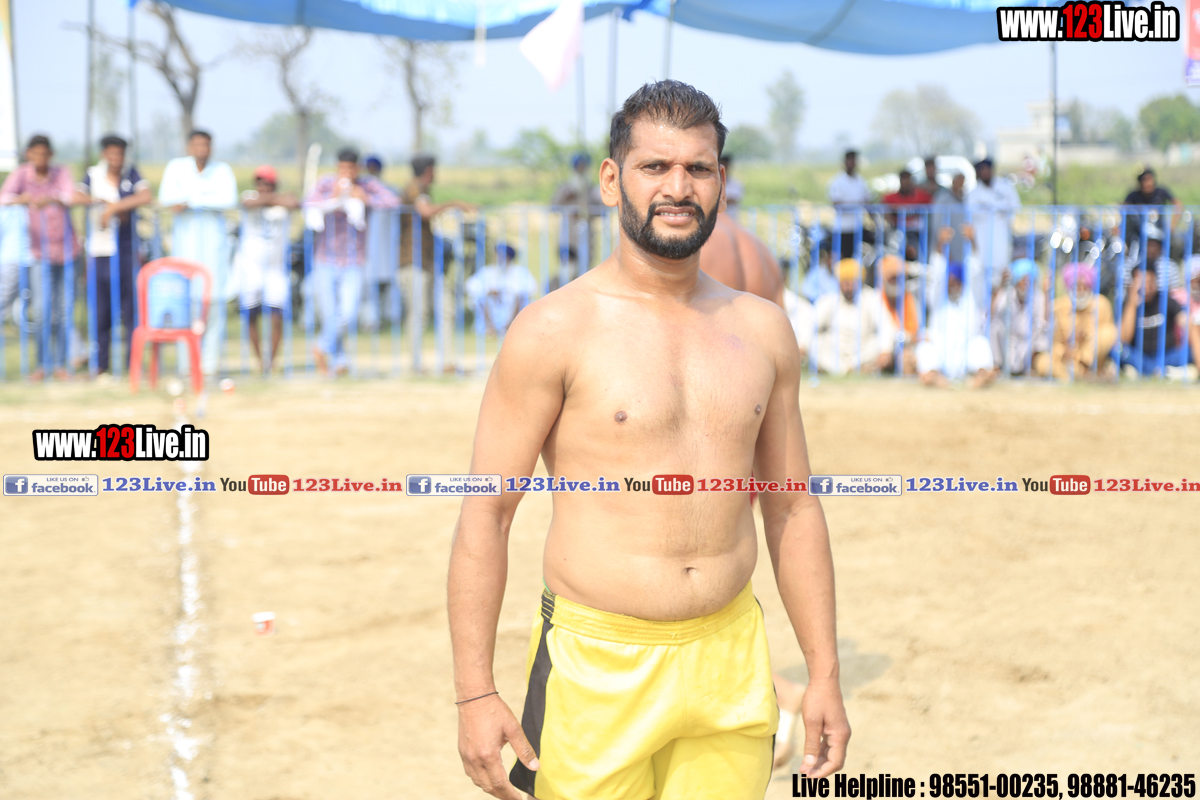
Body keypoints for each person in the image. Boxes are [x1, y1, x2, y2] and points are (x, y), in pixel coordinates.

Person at [448, 80, 849, 800]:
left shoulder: (763, 330)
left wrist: (824, 673)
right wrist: (475, 692)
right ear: (612, 180)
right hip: (596, 669)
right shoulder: (552, 330)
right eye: (655, 167)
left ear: (721, 183)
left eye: (698, 168)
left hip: (731, 659)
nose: (678, 187)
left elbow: (792, 507)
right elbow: (487, 512)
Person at [304, 148, 399, 375]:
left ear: (357, 168)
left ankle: (321, 346)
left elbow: (394, 201)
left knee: (348, 312)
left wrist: (365, 198)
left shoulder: (367, 185)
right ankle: (340, 361)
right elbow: (307, 203)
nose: (346, 172)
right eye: (342, 168)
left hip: (354, 259)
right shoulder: (326, 183)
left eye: (350, 168)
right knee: (330, 314)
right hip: (325, 258)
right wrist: (333, 197)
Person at [0, 134, 81, 380]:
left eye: (44, 154)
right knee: (42, 311)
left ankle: (61, 364)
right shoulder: (22, 174)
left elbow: (72, 196)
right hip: (38, 253)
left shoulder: (61, 173)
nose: (40, 158)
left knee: (64, 310)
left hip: (67, 251)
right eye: (35, 154)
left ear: (50, 155)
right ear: (28, 155)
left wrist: (53, 198)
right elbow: (4, 197)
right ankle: (41, 365)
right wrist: (21, 199)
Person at [158, 129, 238, 377]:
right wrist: (204, 199)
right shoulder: (176, 167)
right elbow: (166, 198)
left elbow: (229, 199)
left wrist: (191, 201)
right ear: (189, 147)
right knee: (185, 307)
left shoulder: (222, 170)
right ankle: (186, 365)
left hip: (214, 249)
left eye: (206, 145)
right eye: (197, 145)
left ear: (211, 147)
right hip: (185, 249)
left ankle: (210, 366)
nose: (202, 150)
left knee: (213, 305)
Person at [76, 135, 152, 377]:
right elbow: (75, 197)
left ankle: (133, 364)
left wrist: (115, 207)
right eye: (111, 154)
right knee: (101, 312)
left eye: (120, 154)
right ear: (104, 155)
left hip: (127, 251)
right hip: (100, 252)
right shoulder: (93, 174)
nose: (116, 158)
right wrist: (99, 202)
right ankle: (101, 365)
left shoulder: (132, 174)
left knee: (131, 310)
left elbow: (146, 196)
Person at [399, 153, 477, 345]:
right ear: (429, 171)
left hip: (427, 261)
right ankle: (415, 359)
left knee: (446, 309)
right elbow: (425, 212)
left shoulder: (420, 189)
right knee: (419, 313)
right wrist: (454, 204)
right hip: (413, 261)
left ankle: (447, 359)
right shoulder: (414, 188)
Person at [232, 165, 298, 373]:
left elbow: (293, 202)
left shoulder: (282, 202)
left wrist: (270, 200)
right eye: (260, 183)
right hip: (250, 268)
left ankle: (271, 362)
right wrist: (273, 200)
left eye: (268, 184)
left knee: (277, 316)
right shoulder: (250, 196)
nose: (263, 187)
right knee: (251, 315)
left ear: (274, 184)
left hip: (275, 269)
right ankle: (260, 360)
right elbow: (248, 202)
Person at [916, 261, 994, 387]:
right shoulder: (938, 300)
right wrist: (940, 251)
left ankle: (980, 377)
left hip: (966, 353)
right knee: (925, 346)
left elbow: (976, 275)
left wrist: (973, 249)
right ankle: (934, 378)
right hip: (941, 354)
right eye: (949, 281)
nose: (952, 284)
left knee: (981, 342)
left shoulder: (971, 299)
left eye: (956, 280)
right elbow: (936, 275)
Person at [1035, 262, 1117, 381]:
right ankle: (1081, 376)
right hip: (1067, 358)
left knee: (1108, 332)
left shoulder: (1101, 303)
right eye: (1077, 286)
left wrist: (1085, 338)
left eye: (1084, 286)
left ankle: (1085, 371)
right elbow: (1055, 341)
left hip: (1091, 359)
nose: (1081, 290)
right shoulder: (1058, 306)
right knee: (1042, 361)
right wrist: (1064, 351)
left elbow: (1107, 336)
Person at [813, 258, 896, 375]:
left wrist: (885, 351)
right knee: (816, 343)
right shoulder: (829, 300)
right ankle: (841, 370)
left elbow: (886, 326)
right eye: (844, 282)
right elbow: (812, 325)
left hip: (864, 351)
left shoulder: (871, 298)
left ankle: (863, 368)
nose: (848, 286)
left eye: (852, 282)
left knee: (878, 344)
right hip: (835, 353)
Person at [1119, 263, 1187, 376]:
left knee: (1189, 351)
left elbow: (1185, 322)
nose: (1147, 287)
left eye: (1150, 282)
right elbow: (1124, 339)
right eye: (1141, 283)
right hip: (1139, 356)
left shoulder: (1166, 301)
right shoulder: (1128, 305)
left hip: (1167, 356)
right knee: (1117, 350)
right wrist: (1132, 304)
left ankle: (1145, 371)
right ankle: (1162, 371)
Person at [989, 258, 1048, 377]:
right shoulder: (1007, 293)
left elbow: (1044, 321)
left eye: (1029, 280)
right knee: (994, 327)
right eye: (1022, 279)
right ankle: (997, 366)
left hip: (1028, 343)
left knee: (1042, 331)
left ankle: (1031, 368)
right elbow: (992, 314)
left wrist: (1047, 293)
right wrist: (1001, 286)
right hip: (1008, 341)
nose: (1026, 284)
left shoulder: (1039, 296)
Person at [551, 152, 603, 286]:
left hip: (586, 233)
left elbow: (601, 210)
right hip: (568, 236)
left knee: (585, 269)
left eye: (583, 166)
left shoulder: (591, 189)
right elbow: (553, 206)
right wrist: (566, 196)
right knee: (567, 270)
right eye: (578, 166)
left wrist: (586, 214)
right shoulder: (565, 187)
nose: (581, 169)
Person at [463, 243, 538, 335]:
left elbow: (531, 288)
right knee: (480, 299)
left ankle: (511, 326)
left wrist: (509, 292)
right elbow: (470, 286)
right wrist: (489, 291)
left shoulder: (520, 272)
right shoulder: (487, 271)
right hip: (492, 306)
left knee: (522, 298)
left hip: (511, 306)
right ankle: (490, 328)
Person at [966, 157, 1020, 279]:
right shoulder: (974, 193)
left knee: (1002, 265)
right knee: (982, 267)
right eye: (981, 170)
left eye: (986, 169)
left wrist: (996, 209)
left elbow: (1015, 206)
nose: (984, 173)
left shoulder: (1005, 186)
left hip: (1002, 231)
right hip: (982, 233)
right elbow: (971, 213)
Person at [878, 254, 919, 374]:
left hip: (905, 347)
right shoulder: (876, 298)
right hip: (881, 347)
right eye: (892, 278)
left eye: (898, 278)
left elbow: (913, 330)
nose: (895, 281)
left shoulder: (909, 298)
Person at [827, 149, 871, 261]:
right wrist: (857, 204)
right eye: (849, 160)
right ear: (845, 162)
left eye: (854, 160)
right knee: (844, 259)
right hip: (842, 228)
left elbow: (867, 202)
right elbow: (837, 204)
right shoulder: (837, 182)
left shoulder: (861, 181)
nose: (852, 163)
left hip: (857, 227)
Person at [1120, 168, 1182, 243]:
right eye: (1145, 180)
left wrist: (1172, 225)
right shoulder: (1133, 195)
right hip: (1138, 232)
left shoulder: (1161, 192)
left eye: (1150, 179)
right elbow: (1123, 209)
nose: (1148, 183)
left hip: (1159, 230)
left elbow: (1177, 203)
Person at [882, 170, 933, 258]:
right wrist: (891, 217)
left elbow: (932, 204)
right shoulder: (891, 198)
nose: (905, 182)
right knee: (893, 243)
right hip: (898, 230)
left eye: (907, 179)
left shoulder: (922, 195)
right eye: (903, 179)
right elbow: (883, 207)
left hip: (916, 231)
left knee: (915, 249)